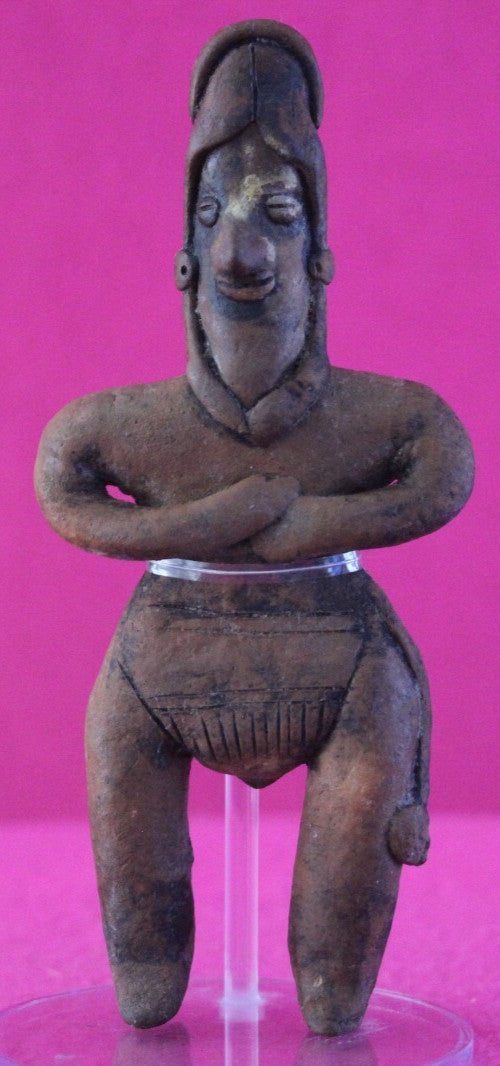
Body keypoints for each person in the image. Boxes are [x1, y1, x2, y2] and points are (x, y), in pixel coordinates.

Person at [35, 21, 474, 1035]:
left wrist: (316, 522)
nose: (242, 250)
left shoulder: (370, 417)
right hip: (161, 678)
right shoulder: (139, 427)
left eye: (277, 214)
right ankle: (154, 965)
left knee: (333, 993)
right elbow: (61, 476)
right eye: (212, 217)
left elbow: (445, 463)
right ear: (184, 257)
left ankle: (329, 977)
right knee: (144, 974)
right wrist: (205, 521)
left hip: (343, 679)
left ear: (319, 253)